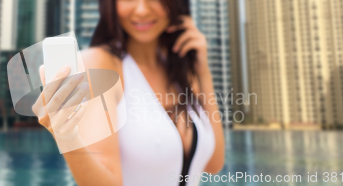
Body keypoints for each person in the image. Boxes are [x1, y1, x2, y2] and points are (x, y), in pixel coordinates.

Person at [32, 0, 225, 185]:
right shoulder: (100, 66)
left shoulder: (181, 70)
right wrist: (67, 138)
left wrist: (203, 72)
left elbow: (212, 164)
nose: (141, 10)